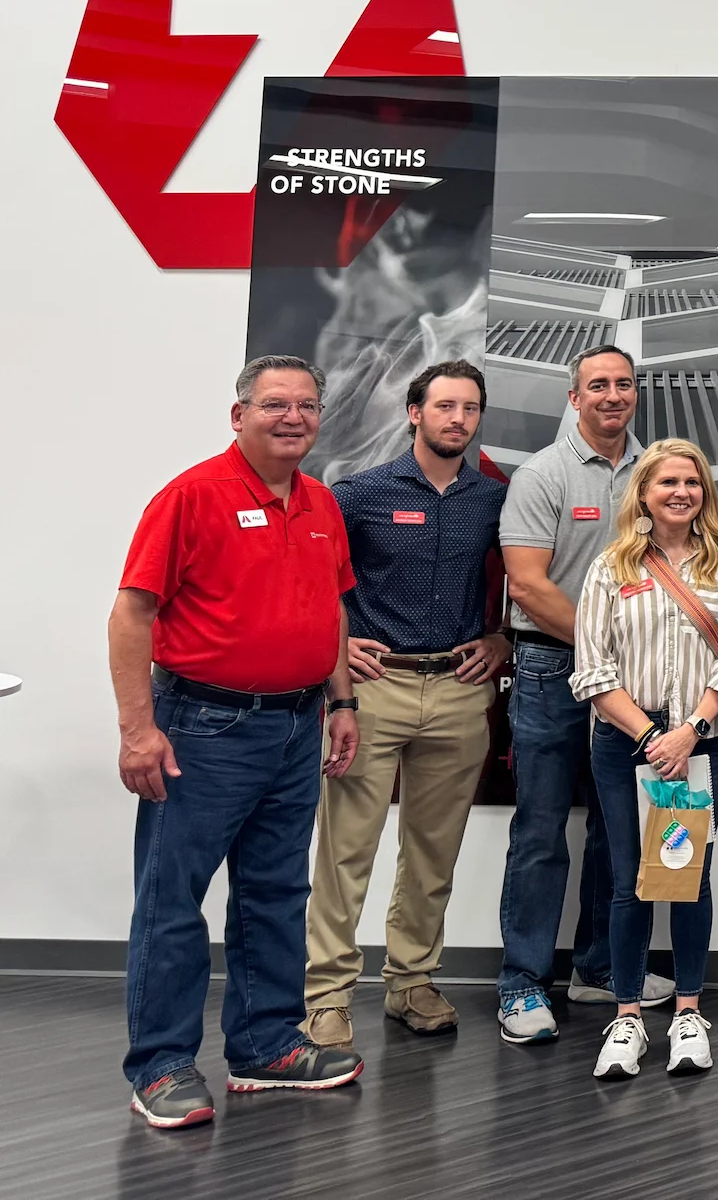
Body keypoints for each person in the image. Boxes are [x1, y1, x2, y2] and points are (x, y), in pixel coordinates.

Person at [111, 356, 365, 1129]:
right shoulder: (192, 496)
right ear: (239, 414)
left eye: (307, 406)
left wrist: (342, 699)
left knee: (276, 891)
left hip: (297, 726)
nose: (292, 418)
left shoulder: (321, 501)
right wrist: (137, 728)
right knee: (172, 897)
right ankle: (160, 1065)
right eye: (274, 405)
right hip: (202, 725)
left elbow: (331, 609)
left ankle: (264, 1044)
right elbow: (131, 616)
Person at [304, 360, 508, 1047]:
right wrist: (341, 655)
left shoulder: (492, 500)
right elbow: (318, 584)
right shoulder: (358, 494)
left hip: (457, 688)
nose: (459, 418)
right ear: (414, 412)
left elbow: (524, 576)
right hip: (375, 688)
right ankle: (327, 994)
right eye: (445, 405)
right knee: (346, 849)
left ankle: (411, 980)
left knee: (432, 849)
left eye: (471, 408)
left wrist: (504, 639)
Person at [573, 441, 718, 1081]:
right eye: (667, 482)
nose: (682, 492)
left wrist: (690, 730)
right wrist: (655, 735)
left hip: (707, 743)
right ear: (644, 492)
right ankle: (626, 1017)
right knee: (631, 882)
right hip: (626, 746)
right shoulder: (610, 566)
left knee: (688, 875)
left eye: (693, 483)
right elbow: (592, 670)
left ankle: (686, 1013)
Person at [495, 345, 664, 1045]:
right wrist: (602, 649)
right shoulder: (544, 473)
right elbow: (528, 584)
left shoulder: (659, 471)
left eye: (624, 384)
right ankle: (522, 982)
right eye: (598, 385)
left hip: (634, 678)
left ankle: (598, 966)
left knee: (617, 827)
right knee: (540, 830)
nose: (613, 395)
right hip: (550, 670)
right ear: (574, 397)